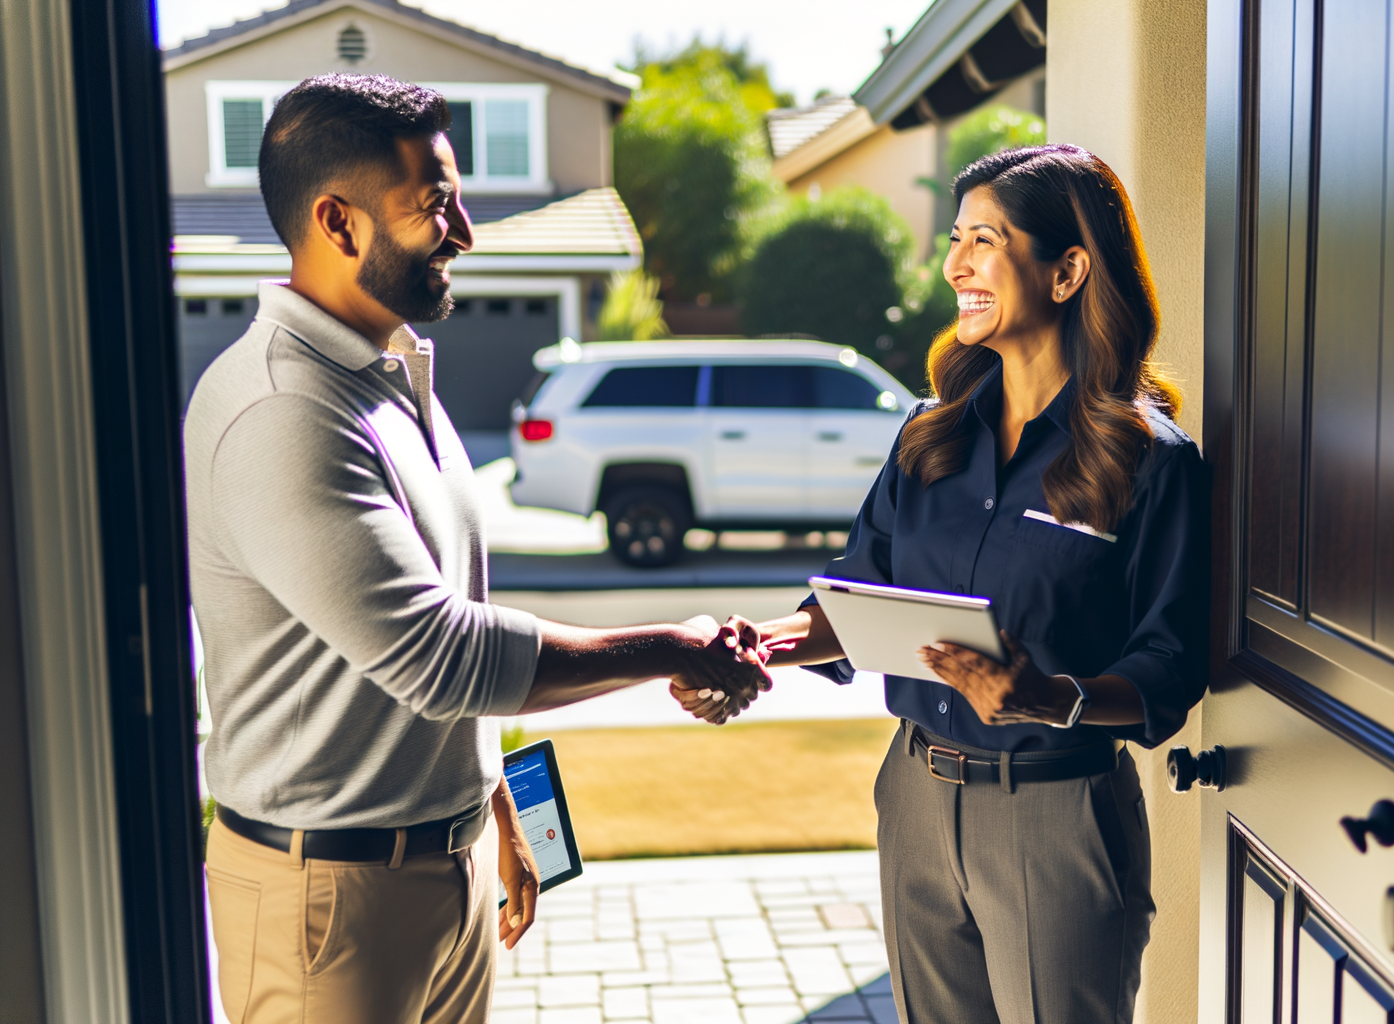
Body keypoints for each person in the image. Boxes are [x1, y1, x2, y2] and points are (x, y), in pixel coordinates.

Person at [185, 74, 769, 1024]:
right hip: (327, 904)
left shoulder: (392, 375)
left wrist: (493, 803)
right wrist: (672, 646)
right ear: (339, 224)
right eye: (434, 206)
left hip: (442, 869)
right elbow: (440, 654)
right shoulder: (283, 411)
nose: (463, 230)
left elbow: (450, 614)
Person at [704, 144, 1210, 1024]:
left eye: (985, 238)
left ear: (1068, 272)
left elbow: (1170, 662)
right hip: (915, 797)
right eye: (955, 238)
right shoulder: (928, 438)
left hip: (1056, 814)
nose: (954, 264)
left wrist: (1051, 697)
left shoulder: (1151, 464)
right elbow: (858, 592)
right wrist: (758, 646)